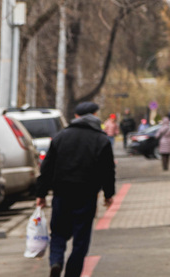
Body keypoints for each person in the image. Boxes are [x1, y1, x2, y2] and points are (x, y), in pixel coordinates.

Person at [35, 101, 115, 277]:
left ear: (76, 118)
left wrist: (41, 194)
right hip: (86, 195)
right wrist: (108, 195)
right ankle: (72, 273)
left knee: (58, 232)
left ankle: (56, 261)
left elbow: (47, 168)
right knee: (81, 237)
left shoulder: (61, 137)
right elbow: (107, 171)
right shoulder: (101, 140)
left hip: (61, 193)